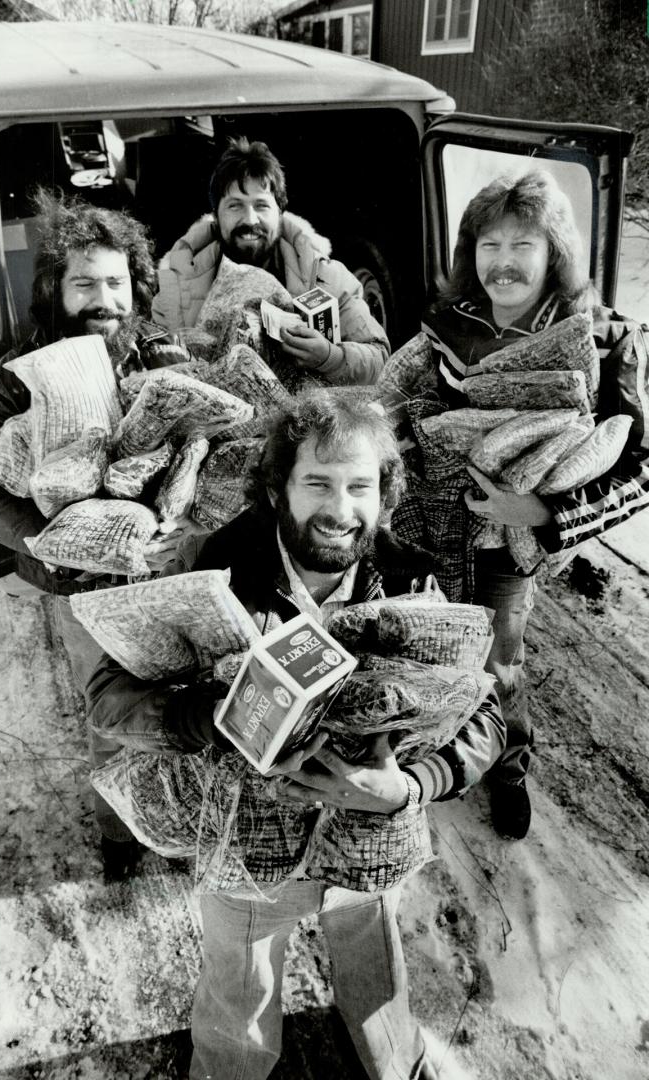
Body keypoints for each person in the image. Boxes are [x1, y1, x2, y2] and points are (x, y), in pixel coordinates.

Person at [86, 389, 505, 1080]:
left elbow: (485, 714)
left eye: (360, 486)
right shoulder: (211, 566)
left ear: (384, 491)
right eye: (318, 483)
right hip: (246, 850)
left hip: (369, 838)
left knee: (374, 969)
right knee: (239, 998)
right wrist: (206, 719)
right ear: (278, 488)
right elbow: (109, 695)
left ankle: (395, 1065)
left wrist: (409, 787)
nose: (342, 511)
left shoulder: (413, 576)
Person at [418, 169, 649, 841]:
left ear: (556, 251)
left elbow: (640, 472)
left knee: (500, 657)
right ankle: (440, 745)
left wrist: (544, 517)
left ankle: (510, 763)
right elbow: (411, 406)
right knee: (432, 642)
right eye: (489, 243)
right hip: (436, 524)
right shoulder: (448, 321)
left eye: (523, 243)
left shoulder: (604, 342)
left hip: (511, 542)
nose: (503, 262)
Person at [0, 190, 181, 872]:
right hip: (78, 586)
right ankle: (120, 836)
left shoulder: (159, 356)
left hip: (167, 571)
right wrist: (51, 542)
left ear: (137, 287)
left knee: (180, 707)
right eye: (84, 282)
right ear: (54, 289)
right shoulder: (13, 381)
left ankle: (178, 822)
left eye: (116, 282)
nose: (104, 298)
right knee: (113, 717)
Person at [152, 136, 390, 384]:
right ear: (215, 216)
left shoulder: (325, 278)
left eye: (261, 206)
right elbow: (155, 373)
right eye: (235, 206)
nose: (250, 220)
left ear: (281, 212)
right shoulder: (177, 290)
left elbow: (380, 359)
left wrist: (329, 357)